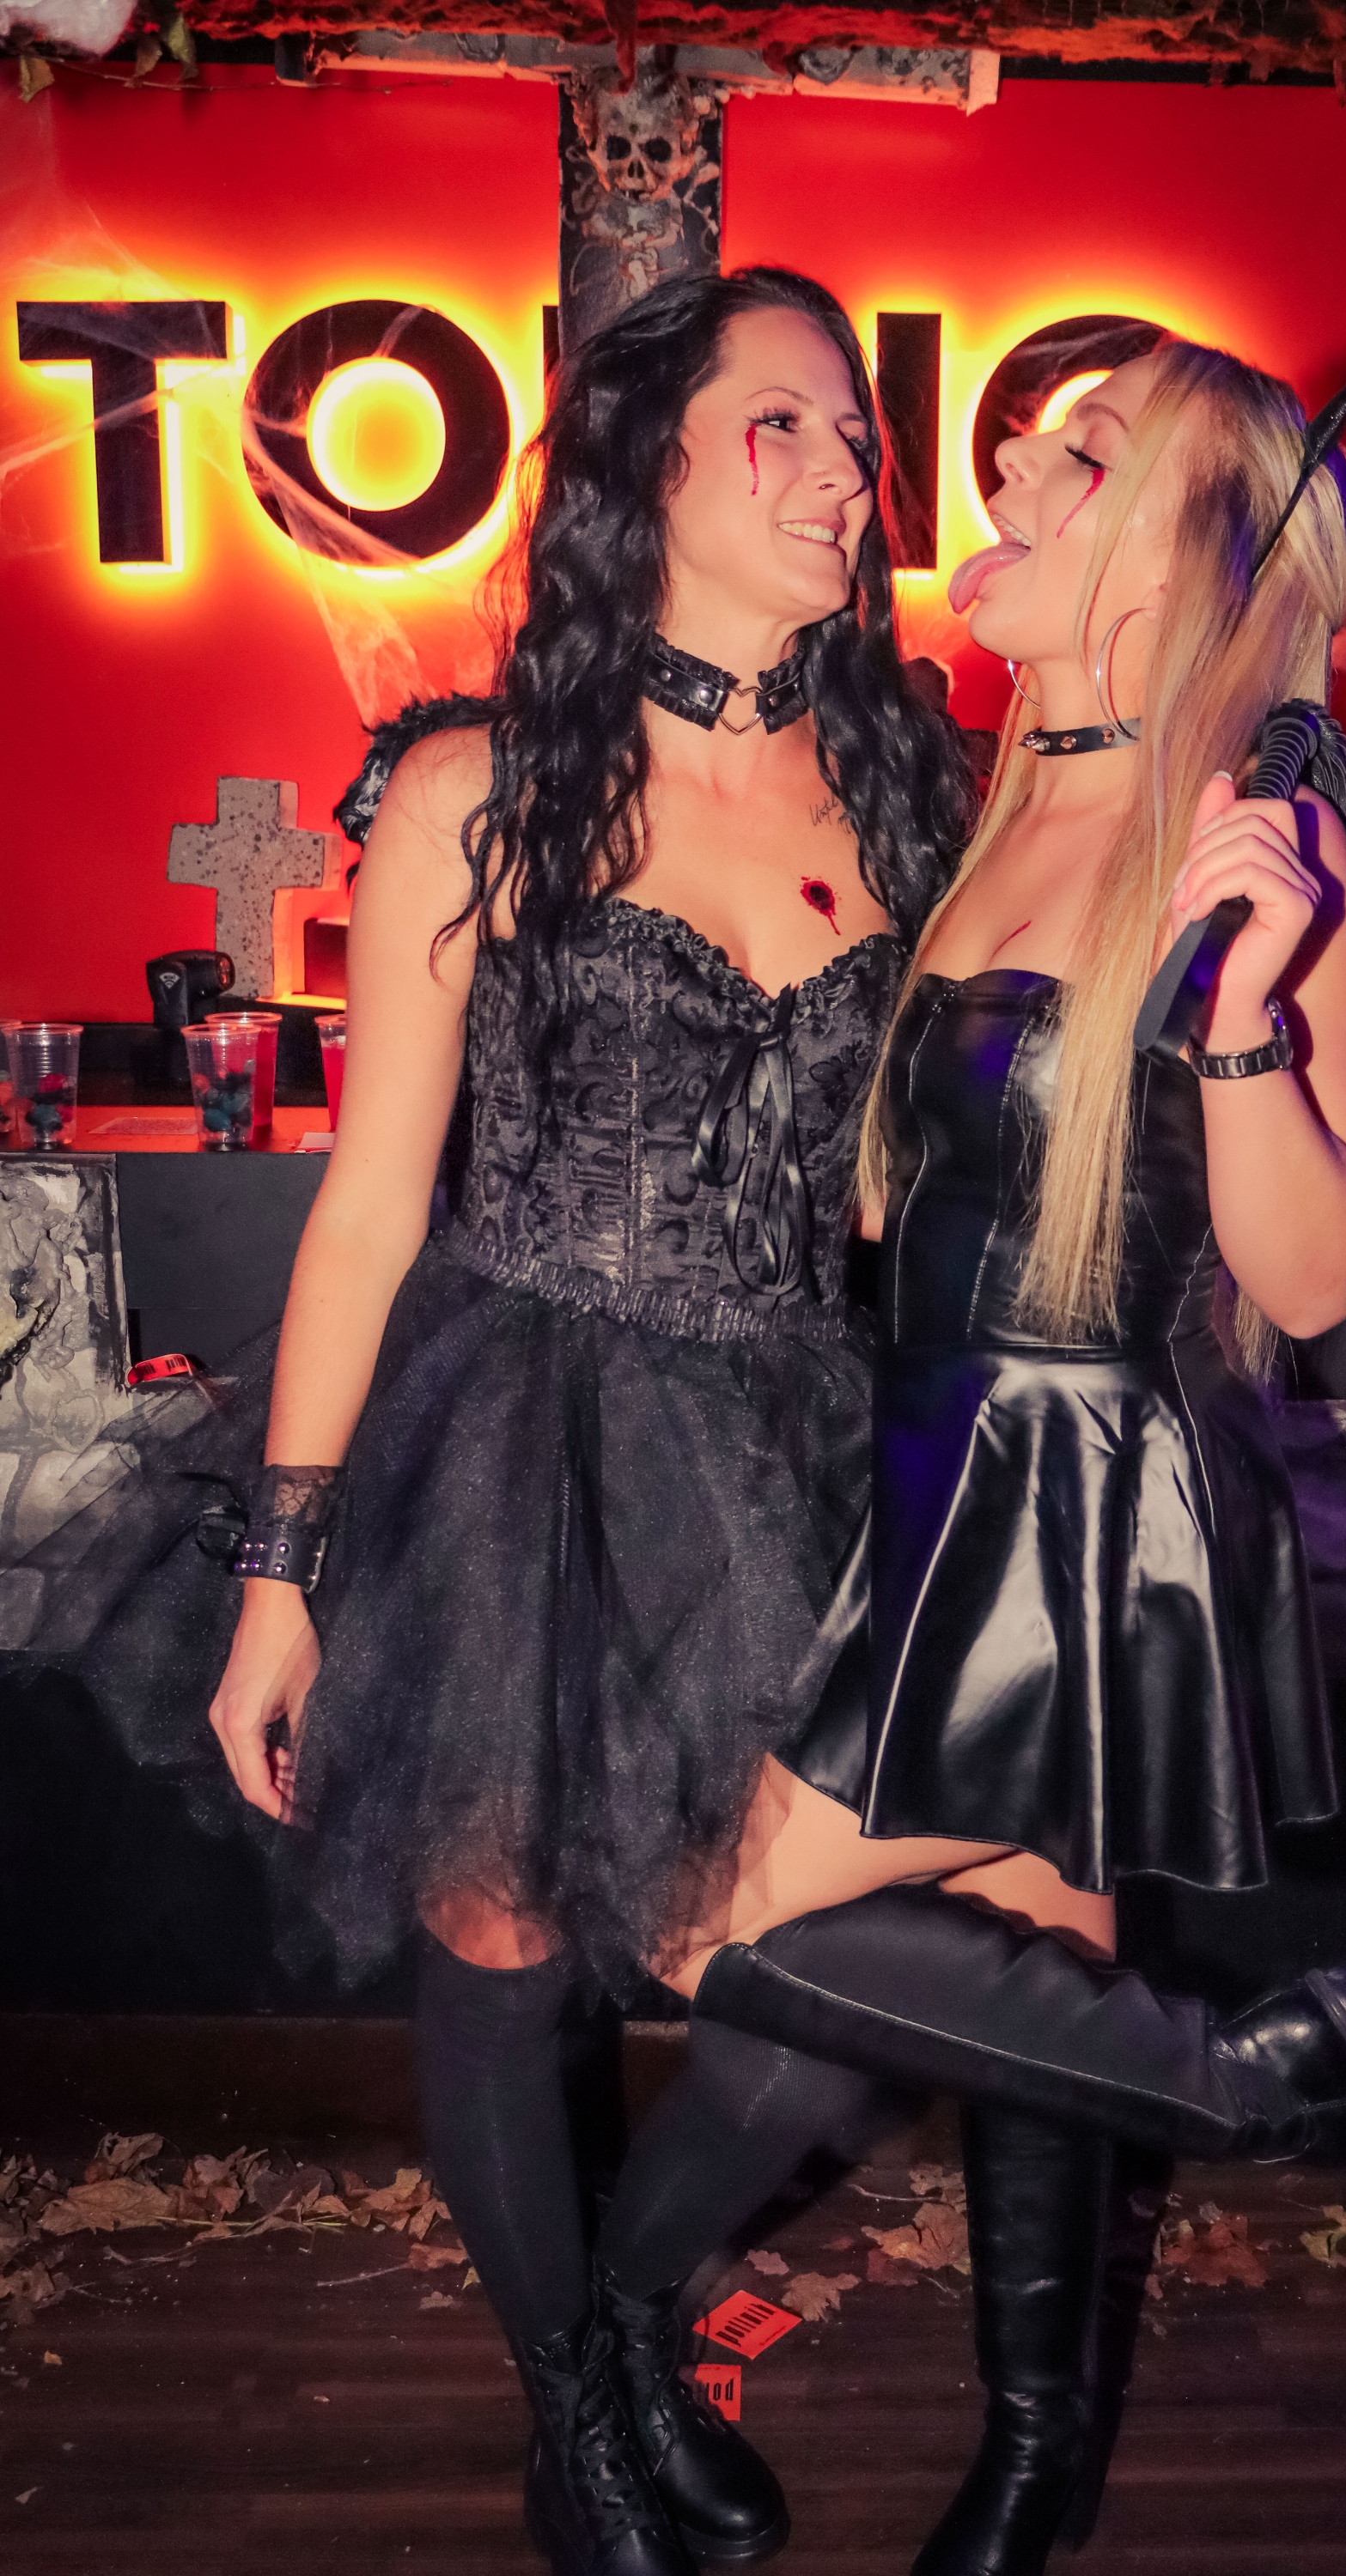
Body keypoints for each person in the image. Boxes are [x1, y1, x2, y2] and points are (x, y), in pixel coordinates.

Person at [588, 338, 1346, 2576]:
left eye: (1079, 457)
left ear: (1188, 562)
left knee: (718, 1922)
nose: (1007, 462)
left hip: (1084, 1488)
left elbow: (1315, 1274)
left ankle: (1276, 2071)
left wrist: (1247, 1015)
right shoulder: (1016, 800)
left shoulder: (1257, 828)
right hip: (934, 1463)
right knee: (1033, 1968)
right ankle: (1031, 2454)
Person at [200, 267, 974, 2576]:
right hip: (516, 1434)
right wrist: (279, 1572)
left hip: (793, 1445)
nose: (843, 474)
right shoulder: (480, 787)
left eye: (856, 438)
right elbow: (367, 1211)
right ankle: (580, 2421)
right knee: (502, 1946)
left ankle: (628, 2314)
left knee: (813, 1994)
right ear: (650, 462)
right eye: (785, 426)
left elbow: (916, 1181)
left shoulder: (908, 791)